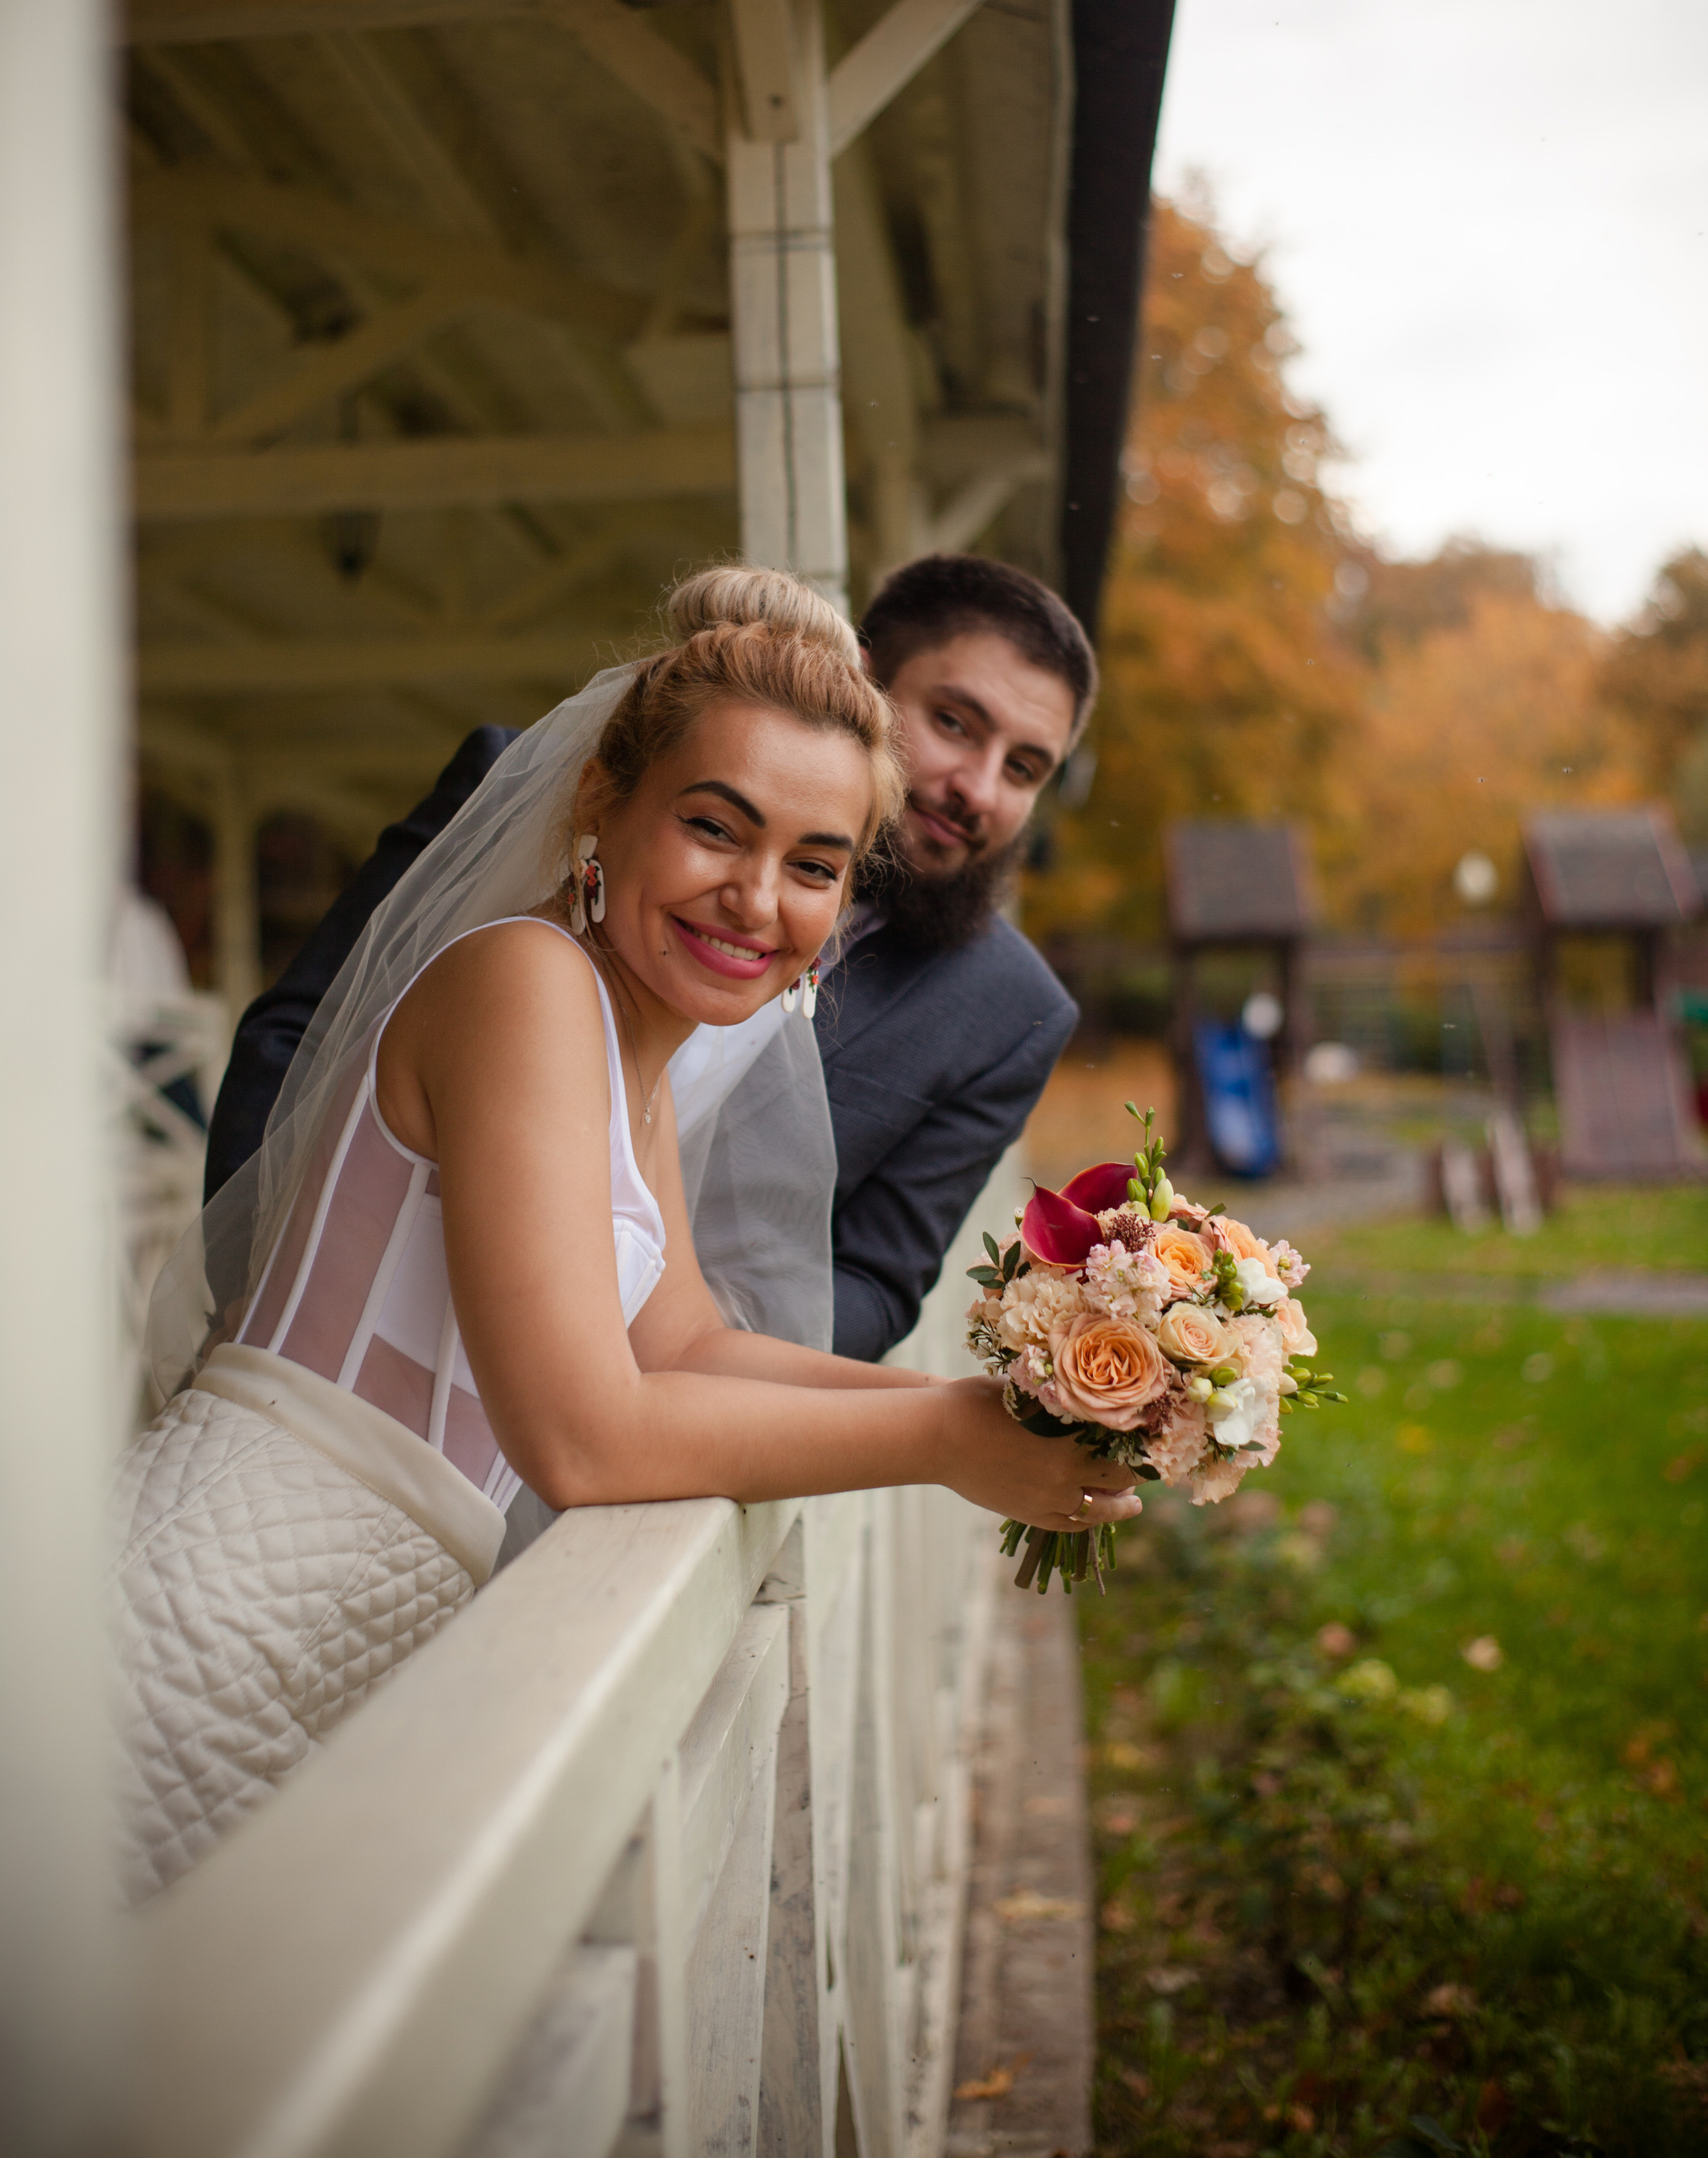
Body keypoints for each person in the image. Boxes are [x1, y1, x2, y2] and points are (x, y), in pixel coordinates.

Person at [115, 570, 1138, 1906]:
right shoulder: (526, 984)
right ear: (600, 802)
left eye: (814, 867)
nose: (757, 900)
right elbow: (583, 1435)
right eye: (717, 829)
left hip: (340, 1632)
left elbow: (691, 1343)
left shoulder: (627, 1050)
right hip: (221, 1603)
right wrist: (939, 1445)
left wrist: (988, 1405)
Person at [206, 555, 1098, 1361]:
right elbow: (300, 1037)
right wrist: (258, 1290)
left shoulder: (1009, 1007)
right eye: (952, 722)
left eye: (1024, 769)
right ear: (861, 681)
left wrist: (697, 1377)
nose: (977, 788)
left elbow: (871, 1283)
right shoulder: (526, 840)